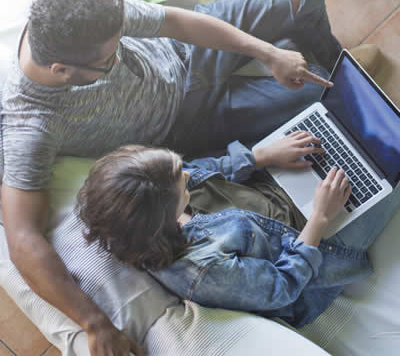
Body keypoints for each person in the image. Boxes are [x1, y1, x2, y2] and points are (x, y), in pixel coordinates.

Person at [1, 0, 341, 355]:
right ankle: (333, 76)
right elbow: (22, 239)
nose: (118, 59)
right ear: (62, 70)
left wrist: (267, 53)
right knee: (325, 102)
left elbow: (174, 23)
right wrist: (94, 323)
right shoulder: (30, 125)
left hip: (186, 52)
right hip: (191, 122)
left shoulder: (81, 19)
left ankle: (335, 62)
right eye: (108, 61)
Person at [77, 132, 400, 328]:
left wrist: (262, 156)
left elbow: (205, 169)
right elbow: (282, 287)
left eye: (178, 166)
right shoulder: (202, 270)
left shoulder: (155, 199)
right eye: (180, 180)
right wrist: (319, 217)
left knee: (346, 135)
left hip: (273, 192)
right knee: (389, 172)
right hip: (318, 252)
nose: (187, 175)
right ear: (162, 215)